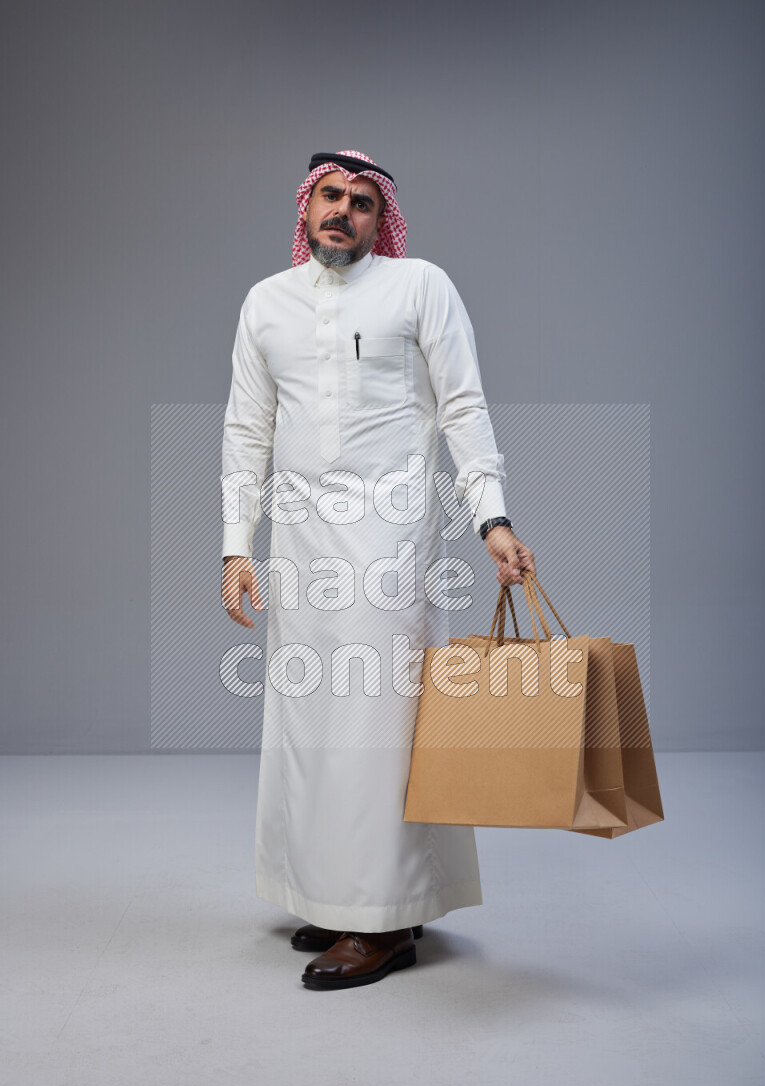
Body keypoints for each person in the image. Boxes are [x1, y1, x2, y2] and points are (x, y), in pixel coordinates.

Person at [220, 150, 535, 990]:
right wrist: (236, 544)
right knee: (312, 726)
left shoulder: (420, 286)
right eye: (330, 195)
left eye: (362, 201)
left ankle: (386, 921)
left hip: (391, 541)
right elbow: (247, 428)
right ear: (306, 206)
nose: (344, 211)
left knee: (379, 726)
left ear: (380, 216)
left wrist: (492, 518)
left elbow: (463, 405)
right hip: (299, 547)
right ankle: (339, 895)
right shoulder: (267, 303)